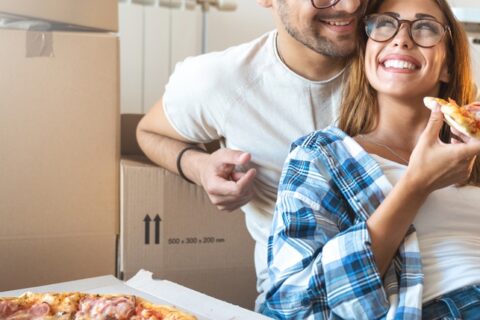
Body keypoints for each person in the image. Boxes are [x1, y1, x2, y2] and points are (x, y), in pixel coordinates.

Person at [136, 0, 369, 309]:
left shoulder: (395, 64)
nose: (352, 5)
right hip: (299, 298)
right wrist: (200, 166)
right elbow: (149, 132)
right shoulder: (221, 80)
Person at [265, 0, 480, 318]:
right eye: (384, 24)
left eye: (425, 27)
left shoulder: (472, 147)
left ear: (448, 63)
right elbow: (296, 305)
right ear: (365, 54)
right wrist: (416, 185)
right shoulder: (322, 157)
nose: (402, 39)